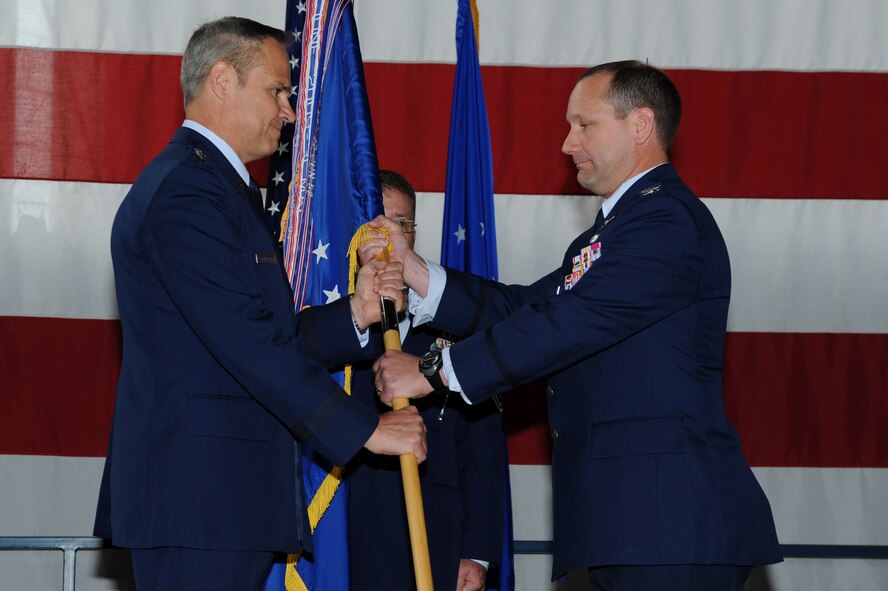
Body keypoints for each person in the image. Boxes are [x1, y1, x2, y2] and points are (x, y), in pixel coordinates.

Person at [371, 61, 782, 590]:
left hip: (670, 522)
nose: (568, 143)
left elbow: (568, 324)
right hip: (634, 523)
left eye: (584, 125)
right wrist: (419, 273)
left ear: (640, 125)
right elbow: (528, 310)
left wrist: (434, 370)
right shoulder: (620, 229)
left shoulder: (665, 223)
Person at [93, 17, 426, 590]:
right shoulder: (187, 191)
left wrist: (357, 313)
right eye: (277, 90)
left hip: (220, 502)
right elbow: (245, 342)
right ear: (223, 80)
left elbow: (260, 336)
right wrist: (366, 432)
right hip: (199, 503)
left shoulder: (214, 187)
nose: (290, 111)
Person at [348, 170, 505, 591]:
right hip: (342, 533)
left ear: (413, 233)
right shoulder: (328, 322)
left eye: (399, 223)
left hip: (435, 537)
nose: (386, 235)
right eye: (374, 223)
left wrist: (477, 550)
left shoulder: (454, 324)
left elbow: (481, 451)